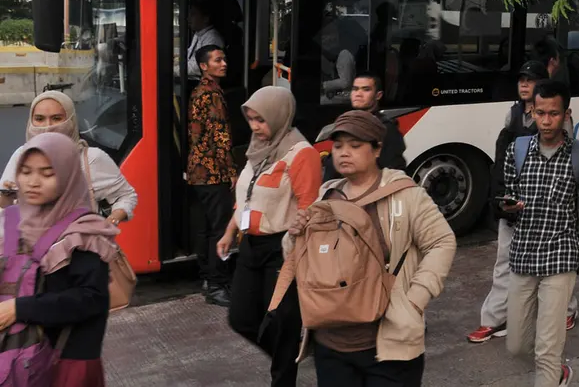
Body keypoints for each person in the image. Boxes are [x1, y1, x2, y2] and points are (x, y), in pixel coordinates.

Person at [288, 111, 455, 386]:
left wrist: (416, 299)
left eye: (355, 146)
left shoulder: (405, 194)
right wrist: (294, 235)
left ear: (377, 149)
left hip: (389, 347)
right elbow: (302, 260)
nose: (344, 153)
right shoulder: (327, 194)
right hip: (331, 346)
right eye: (338, 146)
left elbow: (442, 242)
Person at [500, 80, 579, 387]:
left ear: (566, 114)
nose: (546, 121)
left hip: (561, 255)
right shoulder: (516, 151)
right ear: (532, 111)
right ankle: (558, 373)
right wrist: (509, 207)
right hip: (523, 255)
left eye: (553, 114)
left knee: (548, 347)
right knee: (516, 345)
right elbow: (508, 198)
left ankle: (550, 371)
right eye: (540, 113)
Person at [217, 86, 322, 387]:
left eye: (260, 120)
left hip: (283, 249)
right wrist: (230, 231)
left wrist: (300, 252)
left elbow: (310, 207)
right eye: (250, 119)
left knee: (281, 322)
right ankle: (288, 356)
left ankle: (284, 377)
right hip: (250, 246)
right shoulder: (257, 149)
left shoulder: (301, 154)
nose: (255, 127)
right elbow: (246, 198)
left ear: (279, 116)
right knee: (240, 319)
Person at [468, 61, 579, 344]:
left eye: (531, 80)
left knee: (555, 260)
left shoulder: (560, 119)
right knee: (505, 259)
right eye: (521, 79)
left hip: (546, 205)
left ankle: (567, 308)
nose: (524, 84)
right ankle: (495, 318)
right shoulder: (514, 114)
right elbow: (502, 156)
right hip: (513, 200)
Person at [0, 133, 119, 387]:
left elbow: (91, 299)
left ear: (67, 176)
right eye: (26, 171)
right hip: (12, 359)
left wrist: (19, 309)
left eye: (47, 173)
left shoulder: (84, 232)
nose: (33, 182)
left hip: (66, 362)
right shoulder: (10, 221)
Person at [2, 91, 139, 225]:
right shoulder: (21, 156)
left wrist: (111, 221)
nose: (48, 126)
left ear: (71, 121)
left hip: (79, 245)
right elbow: (4, 208)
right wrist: (6, 197)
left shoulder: (91, 159)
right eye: (39, 119)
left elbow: (126, 196)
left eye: (56, 118)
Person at [188, 45, 238, 307]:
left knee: (205, 229)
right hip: (213, 172)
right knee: (220, 229)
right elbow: (221, 137)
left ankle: (208, 280)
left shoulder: (198, 92)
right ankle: (218, 285)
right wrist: (231, 171)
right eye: (218, 60)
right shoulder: (213, 95)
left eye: (224, 58)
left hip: (197, 171)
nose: (224, 63)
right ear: (204, 66)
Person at [322, 74, 408, 181]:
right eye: (355, 89)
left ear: (378, 95)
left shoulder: (386, 129)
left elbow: (394, 172)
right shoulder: (347, 123)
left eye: (366, 89)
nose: (358, 94)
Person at [187, 3, 225, 80]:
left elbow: (199, 67)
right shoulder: (198, 34)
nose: (189, 18)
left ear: (205, 19)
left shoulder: (212, 38)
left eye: (193, 14)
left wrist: (174, 69)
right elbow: (190, 56)